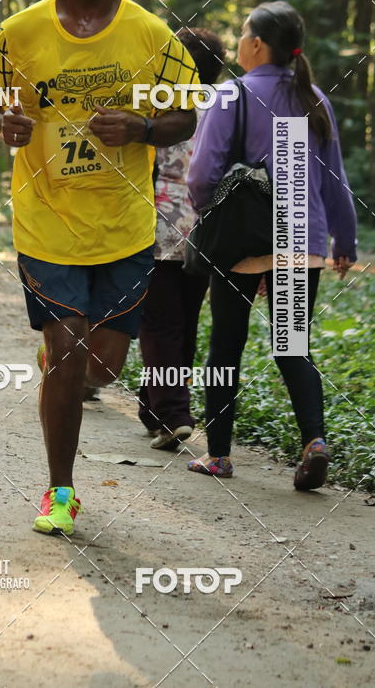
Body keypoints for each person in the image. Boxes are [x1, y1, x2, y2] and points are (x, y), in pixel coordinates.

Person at [0, 0, 197, 535]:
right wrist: (1, 122)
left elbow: (188, 115)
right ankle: (60, 491)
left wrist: (143, 126)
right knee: (68, 350)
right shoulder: (20, 33)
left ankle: (61, 378)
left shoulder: (154, 37)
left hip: (124, 226)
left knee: (103, 365)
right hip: (47, 221)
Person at [185, 0, 357, 490]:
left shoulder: (231, 95)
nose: (239, 41)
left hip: (243, 240)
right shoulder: (314, 98)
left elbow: (201, 173)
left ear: (257, 44)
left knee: (226, 346)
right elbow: (334, 180)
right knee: (292, 346)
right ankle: (316, 441)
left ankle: (218, 455)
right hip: (303, 238)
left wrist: (209, 212)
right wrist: (344, 241)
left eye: (242, 33)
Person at [138, 28, 225, 449]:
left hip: (159, 223)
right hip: (208, 228)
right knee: (184, 321)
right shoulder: (226, 105)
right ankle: (151, 406)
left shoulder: (164, 102)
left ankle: (173, 413)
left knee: (159, 322)